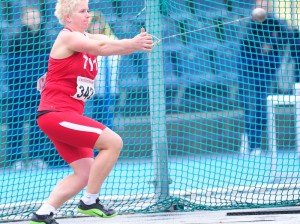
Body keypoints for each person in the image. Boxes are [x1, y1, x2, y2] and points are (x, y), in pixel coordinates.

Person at [29, 0, 152, 223]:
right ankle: (89, 202)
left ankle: (43, 214)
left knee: (85, 173)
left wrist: (138, 42)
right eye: (82, 11)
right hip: (56, 115)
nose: (88, 15)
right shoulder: (68, 37)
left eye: (88, 10)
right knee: (113, 142)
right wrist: (134, 45)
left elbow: (110, 43)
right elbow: (102, 49)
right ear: (68, 17)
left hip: (67, 116)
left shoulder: (88, 38)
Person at [238, 0, 290, 156]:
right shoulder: (249, 24)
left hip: (267, 71)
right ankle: (250, 141)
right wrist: (261, 44)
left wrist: (271, 43)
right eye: (260, 4)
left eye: (266, 5)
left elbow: (286, 38)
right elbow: (246, 40)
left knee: (263, 106)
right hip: (249, 72)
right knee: (250, 105)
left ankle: (256, 142)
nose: (264, 7)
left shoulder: (276, 23)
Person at [5, 6, 52, 170]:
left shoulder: (46, 40)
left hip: (39, 92)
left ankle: (37, 156)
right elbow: (10, 66)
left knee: (39, 123)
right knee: (16, 123)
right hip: (18, 90)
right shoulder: (16, 40)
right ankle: (15, 159)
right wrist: (15, 85)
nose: (33, 20)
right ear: (23, 19)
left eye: (35, 16)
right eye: (29, 17)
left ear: (40, 18)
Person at [87, 11, 119, 131]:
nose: (95, 27)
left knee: (107, 121)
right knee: (94, 121)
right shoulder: (85, 42)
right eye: (92, 24)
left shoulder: (111, 40)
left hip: (109, 90)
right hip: (92, 92)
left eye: (98, 23)